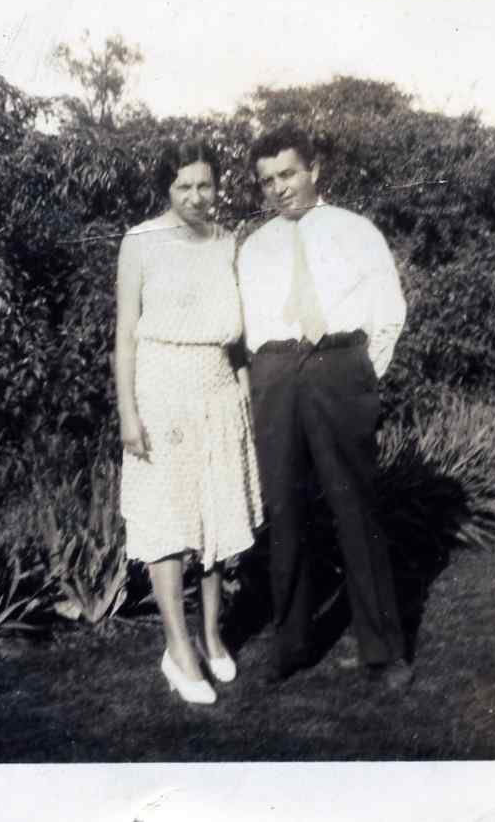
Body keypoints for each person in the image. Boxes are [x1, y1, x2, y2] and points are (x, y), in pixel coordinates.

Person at [237, 122, 411, 689]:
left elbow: (388, 312)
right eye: (267, 180)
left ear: (314, 170)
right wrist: (270, 375)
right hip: (276, 373)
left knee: (355, 508)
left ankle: (383, 651)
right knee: (283, 511)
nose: (279, 188)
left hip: (339, 366)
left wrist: (358, 373)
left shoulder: (356, 231)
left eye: (288, 174)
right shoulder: (253, 248)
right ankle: (292, 644)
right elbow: (248, 328)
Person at [115, 139, 263, 705]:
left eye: (205, 185)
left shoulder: (227, 241)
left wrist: (245, 394)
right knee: (169, 519)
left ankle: (212, 635)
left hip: (218, 388)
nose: (196, 196)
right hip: (161, 388)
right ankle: (178, 650)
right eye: (184, 186)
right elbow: (124, 336)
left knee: (215, 515)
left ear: (217, 187)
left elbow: (237, 336)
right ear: (167, 189)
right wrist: (128, 413)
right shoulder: (141, 241)